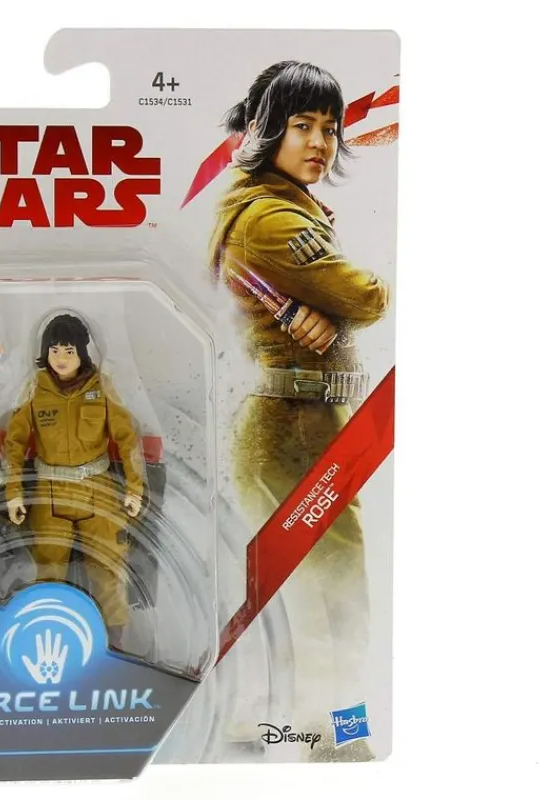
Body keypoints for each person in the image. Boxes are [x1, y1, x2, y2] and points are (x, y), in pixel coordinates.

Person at [209, 61, 390, 760]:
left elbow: (336, 305)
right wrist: (341, 306)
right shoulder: (273, 216)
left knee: (296, 584)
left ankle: (257, 719)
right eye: (302, 125)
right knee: (331, 586)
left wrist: (321, 313)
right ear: (266, 131)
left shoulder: (274, 203)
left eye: (330, 128)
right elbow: (367, 297)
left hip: (296, 419)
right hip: (295, 422)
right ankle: (335, 738)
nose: (320, 142)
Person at [3, 313, 144, 646]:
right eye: (54, 350)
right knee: (49, 571)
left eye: (69, 350)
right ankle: (50, 637)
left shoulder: (102, 387)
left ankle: (116, 644)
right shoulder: (34, 389)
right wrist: (14, 493)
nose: (61, 358)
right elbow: (14, 445)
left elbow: (127, 439)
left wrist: (135, 488)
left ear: (82, 351)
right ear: (44, 352)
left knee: (107, 568)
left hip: (98, 489)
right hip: (50, 494)